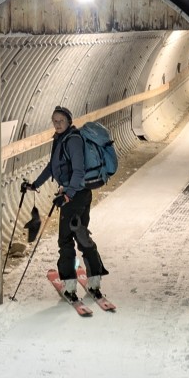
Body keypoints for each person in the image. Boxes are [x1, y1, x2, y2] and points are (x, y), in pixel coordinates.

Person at [22, 106, 109, 304]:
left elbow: (78, 171)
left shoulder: (73, 141)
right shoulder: (61, 139)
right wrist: (36, 184)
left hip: (75, 196)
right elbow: (52, 166)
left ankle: (70, 286)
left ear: (69, 121)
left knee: (66, 240)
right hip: (76, 194)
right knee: (81, 235)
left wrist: (67, 195)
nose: (57, 124)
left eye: (61, 120)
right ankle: (94, 281)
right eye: (55, 120)